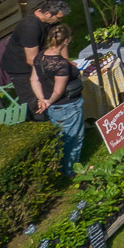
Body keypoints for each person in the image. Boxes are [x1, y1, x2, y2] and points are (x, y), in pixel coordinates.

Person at [30, 23, 85, 176]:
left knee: (62, 137)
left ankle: (62, 167)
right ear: (66, 41)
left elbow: (34, 80)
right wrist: (48, 101)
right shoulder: (61, 65)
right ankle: (72, 170)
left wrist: (42, 99)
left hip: (54, 108)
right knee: (74, 138)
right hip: (68, 105)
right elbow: (58, 90)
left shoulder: (40, 57)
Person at [6, 0, 68, 115]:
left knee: (48, 91)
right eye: (58, 18)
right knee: (34, 101)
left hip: (38, 59)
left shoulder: (51, 20)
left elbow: (60, 38)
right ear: (48, 14)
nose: (60, 20)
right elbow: (32, 60)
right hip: (20, 67)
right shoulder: (30, 28)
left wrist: (66, 61)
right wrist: (52, 68)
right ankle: (40, 124)